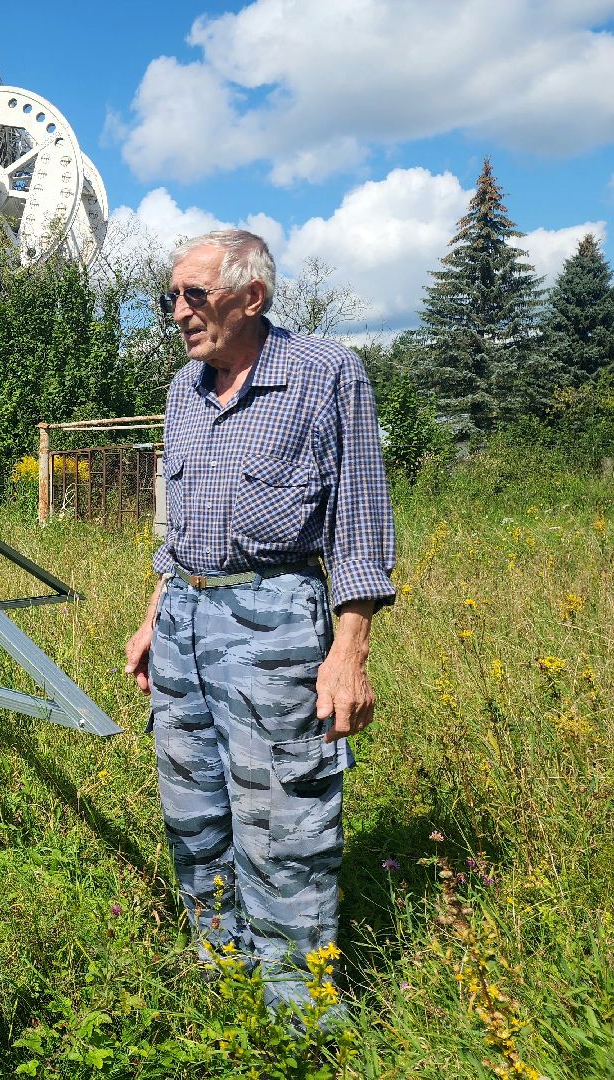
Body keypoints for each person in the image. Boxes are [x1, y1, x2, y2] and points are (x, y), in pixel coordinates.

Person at [123, 229, 395, 1020]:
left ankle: (301, 1014)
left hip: (275, 623)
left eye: (194, 295)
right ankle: (223, 983)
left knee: (285, 823)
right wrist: (153, 617)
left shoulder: (323, 375)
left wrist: (349, 652)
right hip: (184, 619)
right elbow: (176, 528)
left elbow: (361, 523)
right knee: (194, 812)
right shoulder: (184, 389)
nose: (178, 311)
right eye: (170, 297)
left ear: (252, 296)